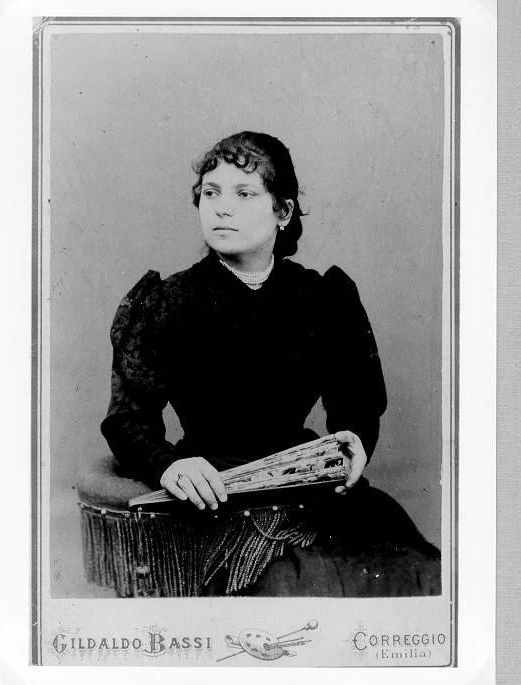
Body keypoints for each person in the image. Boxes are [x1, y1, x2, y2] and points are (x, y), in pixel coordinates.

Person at [101, 131, 440, 597]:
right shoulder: (168, 302)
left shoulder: (322, 298)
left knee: (413, 572)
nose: (221, 208)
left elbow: (357, 404)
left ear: (283, 212)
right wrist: (170, 466)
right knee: (291, 586)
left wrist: (356, 442)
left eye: (244, 194)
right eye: (211, 193)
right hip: (215, 492)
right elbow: (127, 421)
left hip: (308, 485)